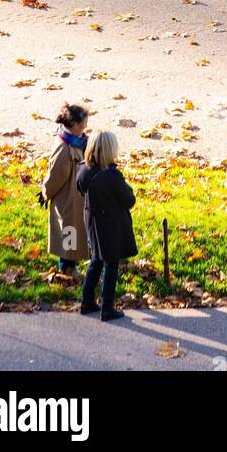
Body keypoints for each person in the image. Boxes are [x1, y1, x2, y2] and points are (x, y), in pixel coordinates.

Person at [76, 130, 137, 322]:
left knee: (96, 260)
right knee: (111, 264)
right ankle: (107, 308)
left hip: (92, 221)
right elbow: (129, 200)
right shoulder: (112, 176)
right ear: (111, 151)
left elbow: (80, 189)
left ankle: (87, 302)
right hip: (110, 224)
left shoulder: (83, 169)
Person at [41, 103, 89, 275]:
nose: (85, 126)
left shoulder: (78, 141)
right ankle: (66, 269)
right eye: (83, 123)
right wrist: (45, 193)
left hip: (76, 198)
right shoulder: (64, 147)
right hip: (67, 200)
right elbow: (55, 176)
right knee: (69, 233)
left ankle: (71, 265)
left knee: (73, 233)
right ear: (74, 124)